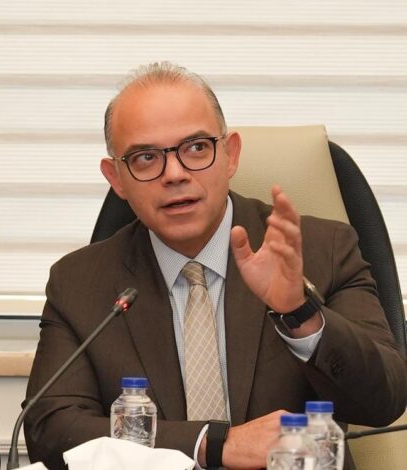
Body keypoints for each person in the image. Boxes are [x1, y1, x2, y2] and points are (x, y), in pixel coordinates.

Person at [24, 62, 407, 469]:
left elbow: (383, 401)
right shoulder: (79, 282)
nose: (174, 174)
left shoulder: (322, 250)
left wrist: (300, 312)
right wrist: (211, 443)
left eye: (196, 148)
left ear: (230, 155)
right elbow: (51, 431)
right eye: (145, 157)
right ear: (116, 178)